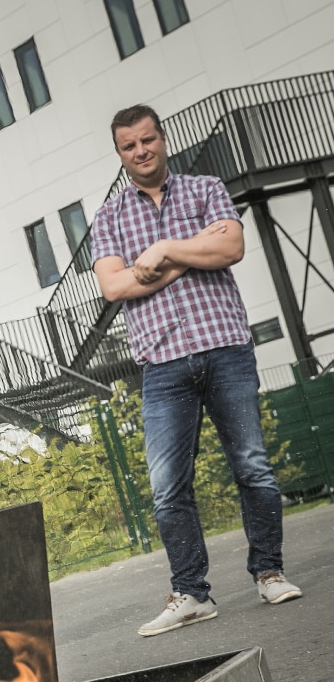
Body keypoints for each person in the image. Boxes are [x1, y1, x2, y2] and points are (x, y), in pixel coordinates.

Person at [92, 104, 304, 637]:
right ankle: (191, 594)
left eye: (148, 140)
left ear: (163, 140)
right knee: (168, 488)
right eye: (129, 146)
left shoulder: (206, 188)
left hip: (225, 346)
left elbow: (231, 245)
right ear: (119, 154)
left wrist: (162, 250)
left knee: (252, 466)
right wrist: (192, 254)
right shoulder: (110, 217)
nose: (141, 151)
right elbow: (115, 288)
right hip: (161, 362)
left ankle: (269, 571)